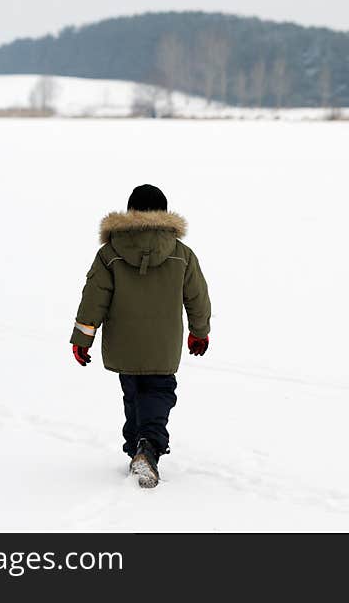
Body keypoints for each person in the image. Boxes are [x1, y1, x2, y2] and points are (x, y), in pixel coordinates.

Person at [70, 184, 211, 488]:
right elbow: (198, 298)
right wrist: (200, 333)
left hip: (124, 344)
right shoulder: (182, 254)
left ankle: (137, 447)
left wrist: (83, 339)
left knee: (133, 394)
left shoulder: (109, 253)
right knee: (158, 395)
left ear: (130, 212)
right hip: (163, 346)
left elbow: (94, 297)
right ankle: (148, 448)